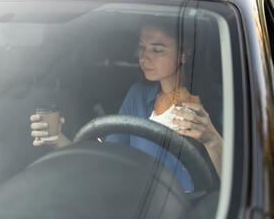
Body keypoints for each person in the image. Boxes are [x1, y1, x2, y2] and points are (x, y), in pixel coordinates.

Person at [30, 17, 223, 193]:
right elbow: (110, 162)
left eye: (157, 50)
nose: (144, 57)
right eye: (141, 47)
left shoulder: (221, 99)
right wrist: (58, 141)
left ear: (185, 53)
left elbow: (246, 181)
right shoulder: (138, 95)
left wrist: (211, 140)